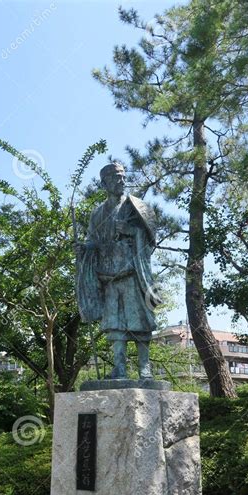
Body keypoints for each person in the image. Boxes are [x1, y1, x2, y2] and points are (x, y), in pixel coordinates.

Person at [76, 162, 159, 379]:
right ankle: (119, 368)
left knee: (140, 321)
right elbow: (93, 241)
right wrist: (84, 249)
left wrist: (133, 232)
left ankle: (144, 367)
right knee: (115, 325)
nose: (120, 181)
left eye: (122, 177)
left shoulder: (136, 206)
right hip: (109, 276)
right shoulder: (97, 213)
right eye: (115, 178)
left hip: (132, 275)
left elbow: (151, 240)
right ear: (104, 183)